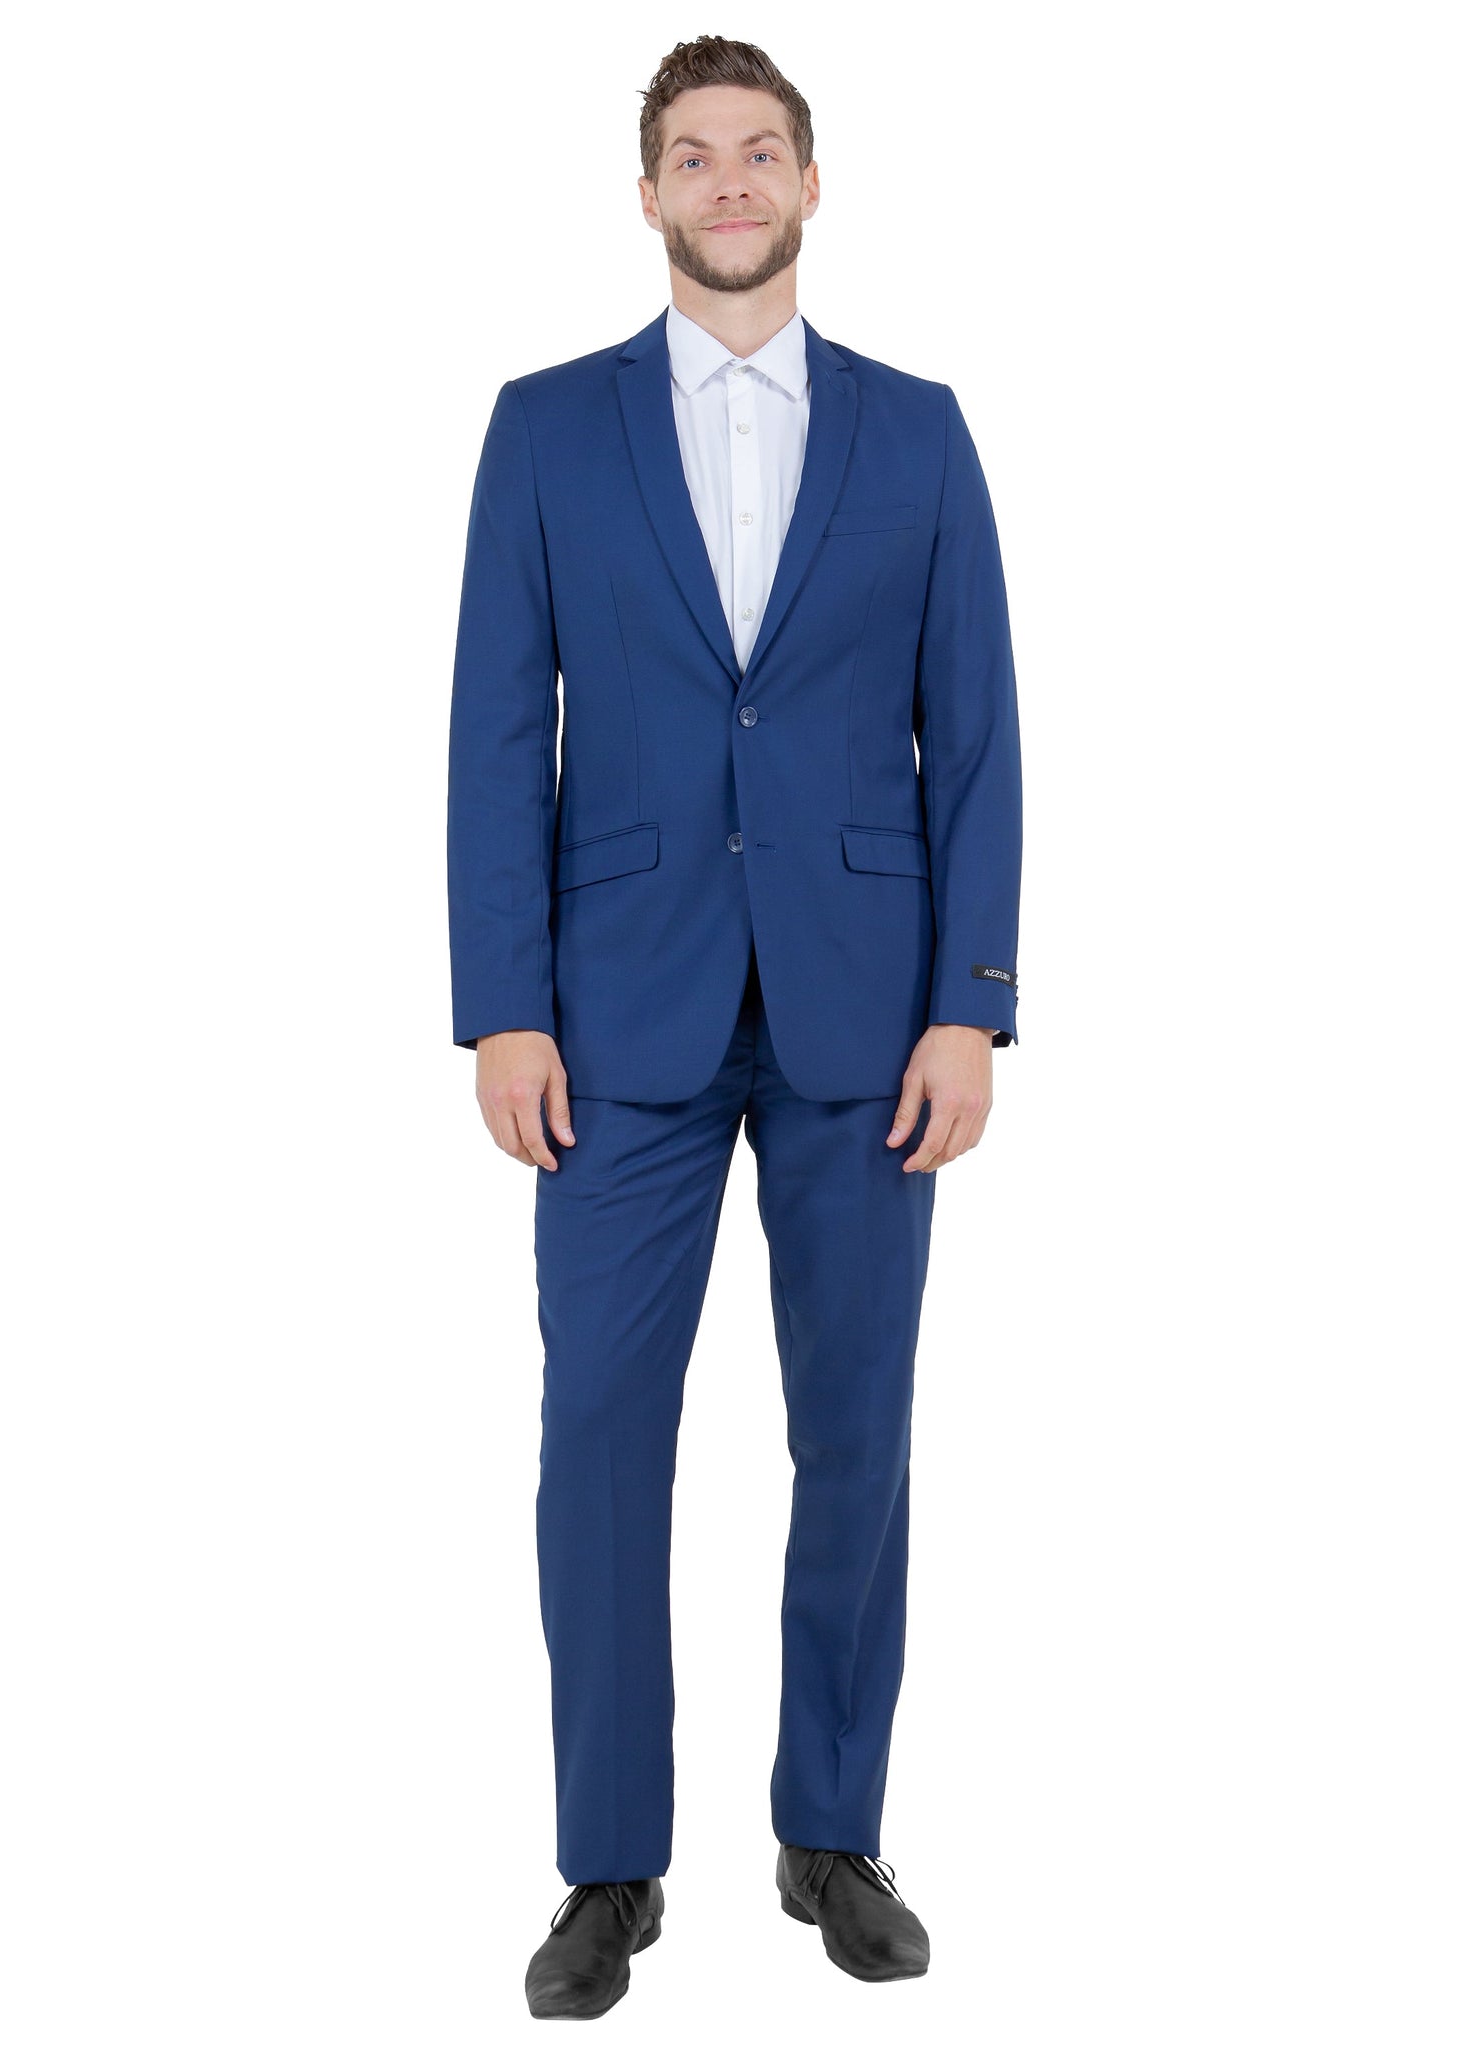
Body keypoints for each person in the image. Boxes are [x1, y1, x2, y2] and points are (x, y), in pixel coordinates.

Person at [445, 34, 1023, 2020]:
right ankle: (610, 1865)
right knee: (601, 1434)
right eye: (691, 156)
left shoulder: (920, 434)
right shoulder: (543, 430)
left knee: (856, 1432)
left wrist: (972, 1005)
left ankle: (830, 1832)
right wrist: (502, 1009)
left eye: (758, 150)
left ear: (809, 180)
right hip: (615, 1015)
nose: (728, 181)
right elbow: (492, 733)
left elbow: (978, 740)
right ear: (647, 195)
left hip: (873, 1015)